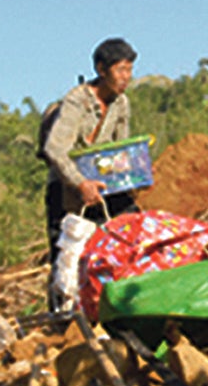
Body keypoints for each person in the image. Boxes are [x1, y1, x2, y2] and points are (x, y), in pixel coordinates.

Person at [39, 38, 137, 283]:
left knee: (126, 235)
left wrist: (134, 177)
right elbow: (54, 149)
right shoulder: (76, 101)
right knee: (66, 260)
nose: (127, 77)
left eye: (130, 70)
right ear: (102, 70)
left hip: (103, 187)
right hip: (67, 188)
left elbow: (119, 151)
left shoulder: (121, 104)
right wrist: (81, 184)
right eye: (121, 70)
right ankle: (63, 316)